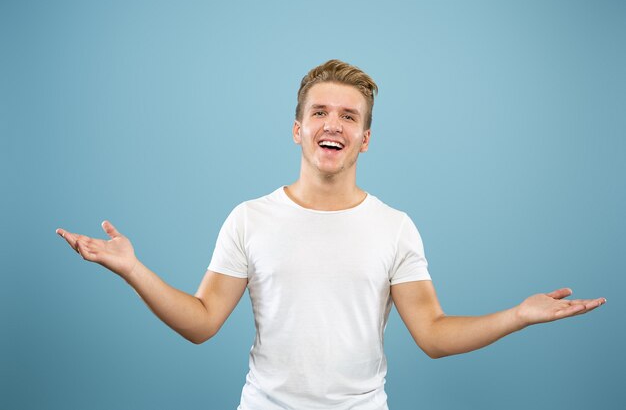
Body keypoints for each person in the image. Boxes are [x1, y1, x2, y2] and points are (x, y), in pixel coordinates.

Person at [56, 59, 605, 410]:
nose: (332, 124)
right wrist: (132, 268)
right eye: (319, 112)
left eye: (349, 116)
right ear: (298, 129)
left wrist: (518, 315)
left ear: (366, 138)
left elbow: (433, 334)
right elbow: (201, 323)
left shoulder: (394, 227)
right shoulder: (249, 218)